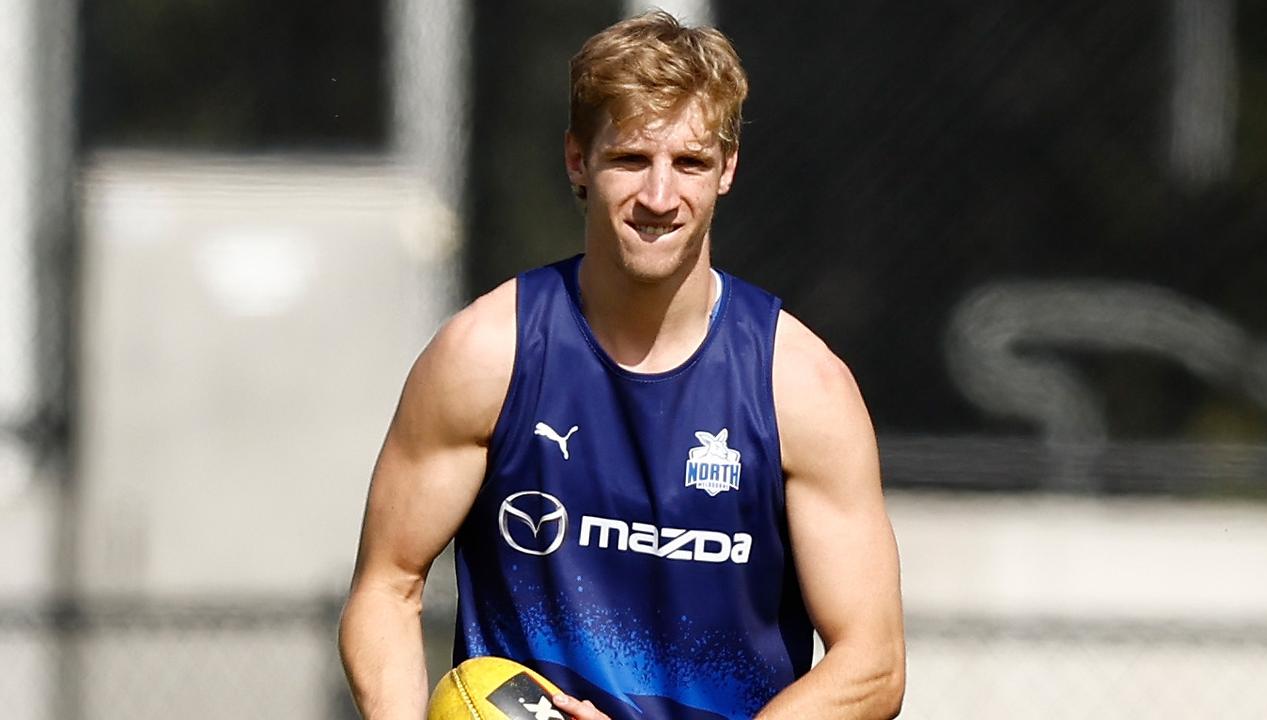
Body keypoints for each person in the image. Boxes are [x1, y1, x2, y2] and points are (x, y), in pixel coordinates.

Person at [339, 10, 904, 720]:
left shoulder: (801, 387)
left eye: (690, 163)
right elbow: (385, 588)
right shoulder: (488, 354)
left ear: (727, 169)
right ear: (578, 160)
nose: (660, 198)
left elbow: (872, 666)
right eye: (632, 159)